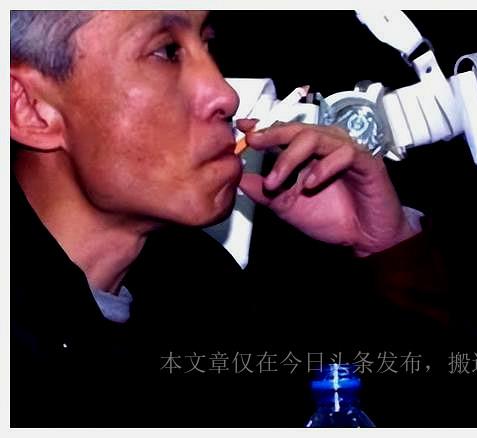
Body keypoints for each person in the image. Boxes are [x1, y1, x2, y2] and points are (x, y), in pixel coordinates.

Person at [10, 11, 450, 427]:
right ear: (29, 108)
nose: (225, 94)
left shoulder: (200, 292)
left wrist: (386, 247)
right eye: (166, 51)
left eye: (206, 43)